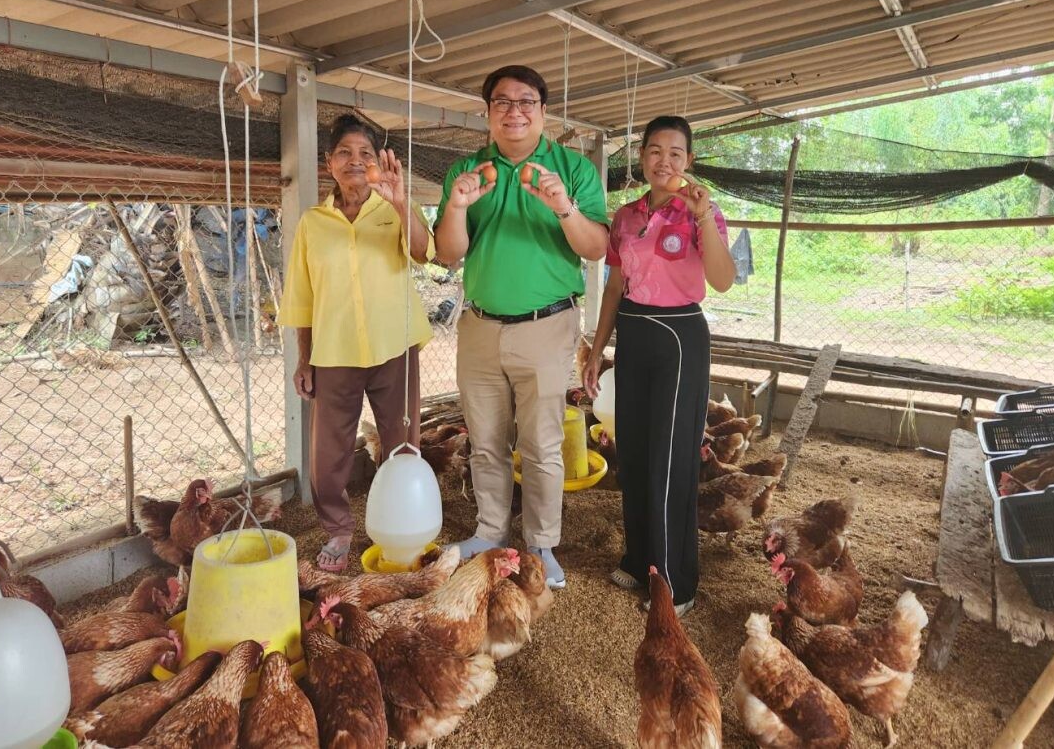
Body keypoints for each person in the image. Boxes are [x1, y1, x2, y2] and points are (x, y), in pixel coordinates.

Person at [435, 65, 609, 588]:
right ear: (487, 113)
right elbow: (448, 254)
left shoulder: (571, 169)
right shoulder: (467, 170)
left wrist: (563, 206)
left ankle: (541, 543)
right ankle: (490, 530)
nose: (515, 111)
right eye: (503, 102)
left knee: (542, 442)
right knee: (484, 438)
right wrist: (459, 206)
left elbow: (596, 247)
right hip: (480, 325)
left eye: (526, 102)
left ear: (544, 112)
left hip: (547, 324)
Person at [582, 115, 736, 616]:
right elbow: (612, 287)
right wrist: (598, 348)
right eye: (654, 150)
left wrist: (705, 217)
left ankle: (675, 580)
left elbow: (722, 280)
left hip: (679, 336)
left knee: (671, 459)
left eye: (675, 152)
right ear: (641, 156)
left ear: (688, 161)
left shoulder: (701, 213)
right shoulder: (625, 217)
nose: (663, 160)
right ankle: (640, 556)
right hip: (634, 331)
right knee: (637, 449)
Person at [279, 113, 433, 573]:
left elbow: (426, 253)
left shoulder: (395, 208)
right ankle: (339, 530)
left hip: (394, 346)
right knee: (327, 457)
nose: (355, 161)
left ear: (378, 164)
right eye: (345, 153)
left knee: (402, 445)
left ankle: (405, 527)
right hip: (334, 353)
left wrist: (402, 204)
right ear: (329, 164)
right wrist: (305, 359)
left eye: (366, 154)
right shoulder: (312, 224)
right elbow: (303, 297)